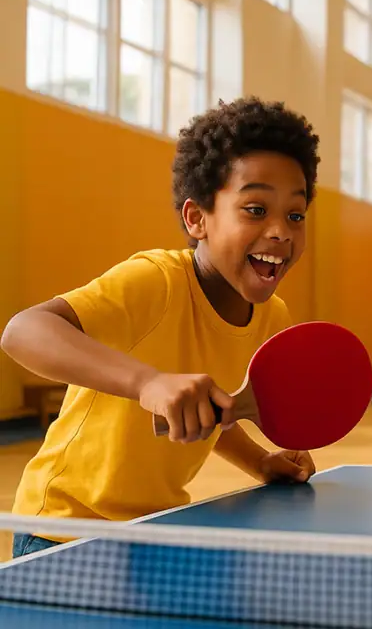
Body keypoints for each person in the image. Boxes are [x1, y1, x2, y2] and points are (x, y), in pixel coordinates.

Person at [1, 97, 321, 558]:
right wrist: (146, 383)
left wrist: (259, 461)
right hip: (64, 531)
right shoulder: (156, 282)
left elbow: (213, 411)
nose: (281, 232)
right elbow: (23, 330)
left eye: (295, 215)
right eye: (255, 209)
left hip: (155, 527)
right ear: (197, 219)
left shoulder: (274, 319)